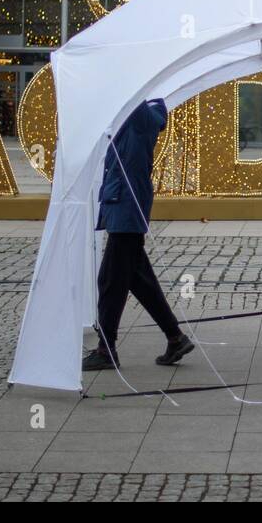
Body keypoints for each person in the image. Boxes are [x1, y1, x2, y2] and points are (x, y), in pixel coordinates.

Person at [82, 98, 195, 371]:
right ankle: (175, 337)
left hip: (126, 212)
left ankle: (106, 350)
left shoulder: (139, 119)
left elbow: (129, 95)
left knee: (109, 282)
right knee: (138, 279)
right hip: (121, 209)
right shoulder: (134, 121)